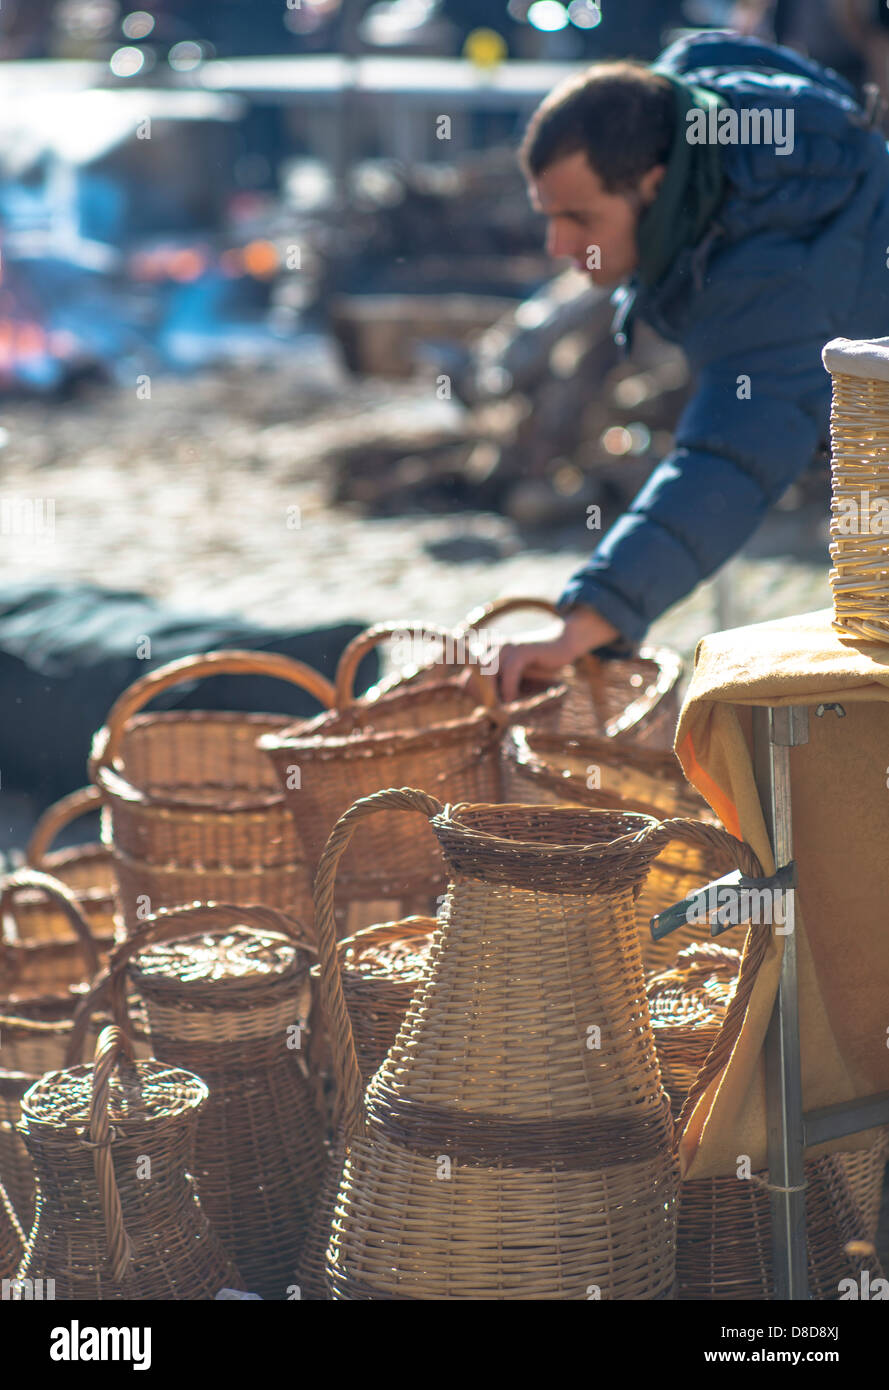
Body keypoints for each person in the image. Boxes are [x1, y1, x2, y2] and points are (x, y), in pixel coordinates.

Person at [496, 29, 889, 701]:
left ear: (651, 184)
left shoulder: (774, 273)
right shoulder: (694, 114)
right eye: (547, 215)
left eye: (578, 218)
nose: (558, 244)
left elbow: (728, 459)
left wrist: (587, 619)